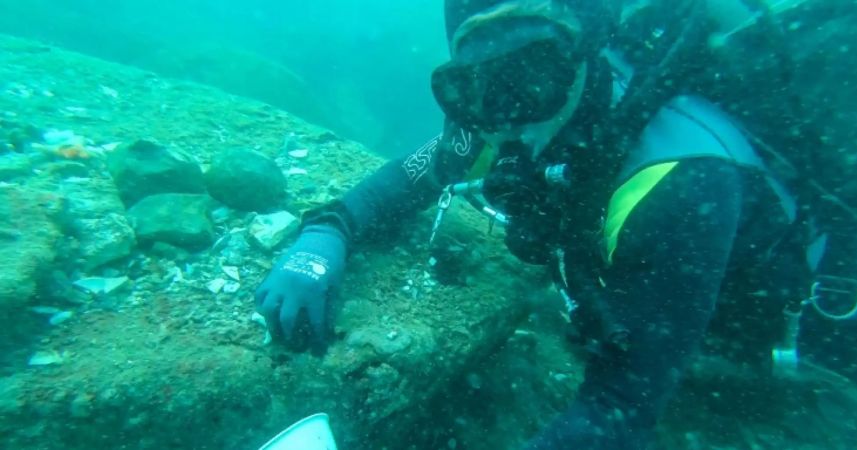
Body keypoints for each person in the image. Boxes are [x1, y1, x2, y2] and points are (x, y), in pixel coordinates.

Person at [255, 0, 806, 447]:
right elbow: (399, 184)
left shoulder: (680, 181)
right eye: (473, 82)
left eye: (530, 72)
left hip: (743, 316)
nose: (506, 110)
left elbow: (621, 407)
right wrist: (324, 235)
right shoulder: (488, 116)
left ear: (586, 56)